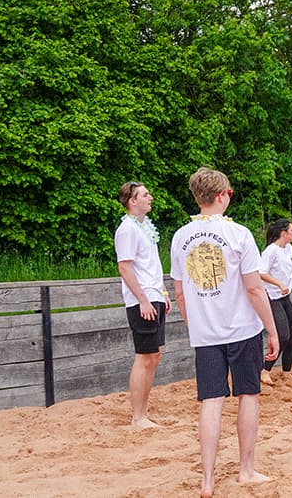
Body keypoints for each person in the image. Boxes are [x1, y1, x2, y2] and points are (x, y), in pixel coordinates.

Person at [169, 167, 280, 496]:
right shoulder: (239, 234)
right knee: (248, 395)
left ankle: (207, 479)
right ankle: (246, 470)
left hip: (206, 334)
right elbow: (255, 290)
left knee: (211, 402)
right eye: (229, 193)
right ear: (221, 196)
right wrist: (272, 330)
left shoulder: (180, 237)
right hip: (241, 329)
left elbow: (178, 292)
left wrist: (195, 327)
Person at [114, 181, 170, 429]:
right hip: (142, 300)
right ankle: (138, 416)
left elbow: (150, 265)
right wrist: (143, 300)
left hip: (154, 295)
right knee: (144, 356)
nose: (151, 197)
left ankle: (143, 411)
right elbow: (125, 267)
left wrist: (163, 292)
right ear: (132, 201)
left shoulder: (145, 227)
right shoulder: (127, 229)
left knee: (155, 355)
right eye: (145, 195)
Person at [259, 219, 292, 385]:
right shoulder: (271, 251)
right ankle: (265, 369)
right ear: (284, 233)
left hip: (285, 297)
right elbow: (261, 273)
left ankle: (287, 371)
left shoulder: (288, 248)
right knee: (282, 335)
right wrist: (279, 283)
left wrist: (285, 286)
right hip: (272, 296)